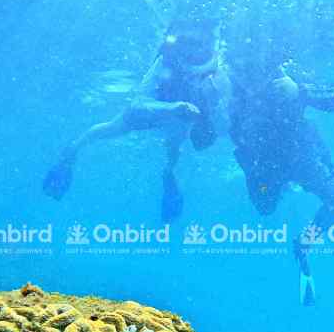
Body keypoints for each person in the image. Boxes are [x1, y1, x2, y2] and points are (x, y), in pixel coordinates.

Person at [42, 18, 229, 222]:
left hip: (179, 114)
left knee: (174, 147)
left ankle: (169, 175)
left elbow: (216, 113)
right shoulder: (166, 61)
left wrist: (204, 118)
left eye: (202, 48)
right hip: (157, 108)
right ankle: (71, 152)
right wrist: (174, 108)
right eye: (190, 46)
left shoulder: (216, 72)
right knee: (114, 128)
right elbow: (139, 103)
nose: (195, 55)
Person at [228, 51, 334, 306]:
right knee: (264, 207)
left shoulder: (290, 76)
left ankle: (304, 245)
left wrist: (302, 90)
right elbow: (209, 133)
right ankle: (278, 187)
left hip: (303, 157)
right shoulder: (231, 84)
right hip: (264, 167)